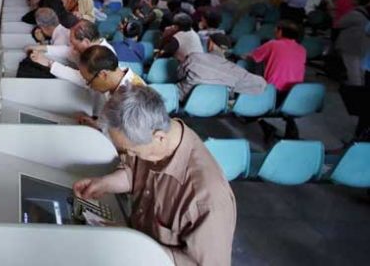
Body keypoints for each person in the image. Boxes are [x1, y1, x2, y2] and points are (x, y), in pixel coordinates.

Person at [73, 85, 236, 266]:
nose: (130, 155)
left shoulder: (207, 199)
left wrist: (135, 244)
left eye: (132, 151)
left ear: (160, 138)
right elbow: (133, 171)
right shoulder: (154, 136)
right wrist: (105, 183)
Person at [247, 20, 306, 139]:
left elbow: (254, 56)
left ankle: (265, 125)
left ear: (281, 32)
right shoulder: (302, 49)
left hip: (274, 93)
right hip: (295, 94)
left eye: (276, 29)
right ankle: (290, 125)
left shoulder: (273, 44)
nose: (274, 31)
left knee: (246, 98)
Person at [177, 33, 267, 101]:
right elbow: (261, 84)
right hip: (215, 105)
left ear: (210, 44)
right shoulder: (235, 70)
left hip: (186, 100)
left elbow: (178, 75)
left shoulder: (194, 57)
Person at [75, 45, 146, 129]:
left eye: (89, 81)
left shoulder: (133, 98)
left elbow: (126, 134)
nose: (90, 86)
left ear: (103, 75)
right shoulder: (116, 79)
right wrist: (97, 124)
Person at [27, 20, 114, 86]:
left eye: (74, 44)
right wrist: (42, 48)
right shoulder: (89, 46)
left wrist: (49, 63)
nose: (73, 47)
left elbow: (84, 79)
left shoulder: (103, 55)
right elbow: (68, 51)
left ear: (86, 42)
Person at [335, 0, 370, 86]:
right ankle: (361, 87)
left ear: (357, 1)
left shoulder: (354, 14)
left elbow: (339, 24)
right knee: (360, 69)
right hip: (364, 44)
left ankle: (355, 89)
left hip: (351, 45)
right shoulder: (366, 13)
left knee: (352, 69)